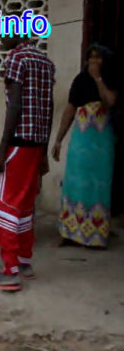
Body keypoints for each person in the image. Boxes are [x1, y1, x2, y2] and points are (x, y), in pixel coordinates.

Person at [0, 34, 55, 292]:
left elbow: (14, 106)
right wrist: (44, 151)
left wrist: (2, 149)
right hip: (35, 145)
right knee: (24, 205)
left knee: (5, 205)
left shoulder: (17, 59)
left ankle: (9, 272)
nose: (0, 36)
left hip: (19, 143)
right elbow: (49, 107)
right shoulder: (45, 62)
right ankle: (24, 263)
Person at [52, 44, 118, 249]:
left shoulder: (111, 79)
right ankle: (70, 233)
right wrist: (58, 139)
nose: (94, 61)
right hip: (81, 142)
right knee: (75, 183)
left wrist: (98, 78)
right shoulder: (80, 81)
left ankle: (95, 236)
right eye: (91, 57)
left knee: (98, 186)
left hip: (101, 142)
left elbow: (109, 102)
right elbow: (70, 110)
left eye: (98, 58)